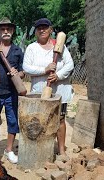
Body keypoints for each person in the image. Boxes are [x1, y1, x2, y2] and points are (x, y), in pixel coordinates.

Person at [23, 18, 74, 155]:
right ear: (36, 32)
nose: (42, 30)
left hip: (60, 91)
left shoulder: (60, 46)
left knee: (60, 119)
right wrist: (44, 70)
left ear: (51, 30)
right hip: (39, 92)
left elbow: (70, 65)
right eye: (39, 28)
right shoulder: (31, 48)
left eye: (45, 27)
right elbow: (26, 67)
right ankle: (42, 150)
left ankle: (61, 150)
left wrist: (58, 75)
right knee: (41, 120)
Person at [0, 17, 25, 164]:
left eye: (8, 29)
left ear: (13, 31)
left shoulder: (17, 50)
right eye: (2, 29)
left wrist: (18, 74)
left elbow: (24, 72)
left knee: (13, 121)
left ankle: (9, 150)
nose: (5, 31)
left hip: (12, 93)